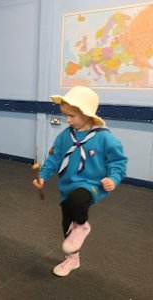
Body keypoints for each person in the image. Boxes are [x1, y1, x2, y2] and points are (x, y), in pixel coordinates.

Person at [33, 86, 127, 277]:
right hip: (67, 185)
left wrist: (113, 178)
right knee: (67, 223)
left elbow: (118, 162)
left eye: (72, 116)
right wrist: (42, 176)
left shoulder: (105, 138)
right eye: (65, 115)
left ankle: (83, 224)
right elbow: (54, 159)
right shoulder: (65, 136)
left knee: (78, 201)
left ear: (87, 114)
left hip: (92, 184)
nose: (67, 120)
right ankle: (72, 258)